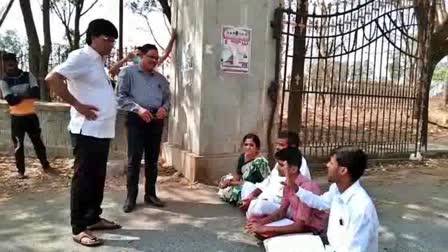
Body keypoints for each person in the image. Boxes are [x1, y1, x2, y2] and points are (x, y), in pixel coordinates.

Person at [45, 19, 121, 247]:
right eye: (107, 40)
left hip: (102, 130)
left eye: (113, 41)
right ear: (93, 37)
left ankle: (93, 217)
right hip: (86, 130)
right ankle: (79, 227)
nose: (110, 45)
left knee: (97, 177)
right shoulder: (81, 57)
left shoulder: (97, 61)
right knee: (83, 179)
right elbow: (53, 79)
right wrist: (77, 104)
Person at [118, 43, 171, 213]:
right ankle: (131, 197)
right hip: (136, 119)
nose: (155, 61)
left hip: (156, 121)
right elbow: (120, 97)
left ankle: (150, 194)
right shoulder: (128, 72)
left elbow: (168, 99)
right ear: (141, 56)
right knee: (134, 160)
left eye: (157, 58)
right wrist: (138, 109)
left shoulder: (161, 79)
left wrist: (165, 108)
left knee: (152, 160)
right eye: (151, 57)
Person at [294, 147, 379, 252]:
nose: (327, 165)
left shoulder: (361, 207)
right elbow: (321, 202)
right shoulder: (336, 189)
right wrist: (297, 189)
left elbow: (355, 249)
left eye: (331, 163)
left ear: (343, 170)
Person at [245, 147, 327, 238]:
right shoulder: (288, 184)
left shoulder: (306, 187)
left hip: (310, 228)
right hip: (294, 221)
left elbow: (300, 226)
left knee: (265, 231)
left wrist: (265, 228)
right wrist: (261, 223)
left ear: (293, 169)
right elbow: (281, 212)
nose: (277, 168)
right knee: (254, 221)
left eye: (281, 165)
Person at [0, 52, 51, 179]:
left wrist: (18, 96)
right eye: (6, 63)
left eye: (11, 62)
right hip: (16, 118)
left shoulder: (28, 76)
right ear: (4, 65)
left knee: (38, 142)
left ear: (16, 63)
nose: (9, 65)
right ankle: (21, 171)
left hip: (31, 115)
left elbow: (36, 92)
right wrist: (25, 95)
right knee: (18, 145)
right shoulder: (4, 81)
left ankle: (45, 165)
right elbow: (11, 100)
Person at [240, 131, 311, 218]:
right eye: (277, 144)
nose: (277, 147)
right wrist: (252, 195)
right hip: (268, 199)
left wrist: (262, 199)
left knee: (259, 206)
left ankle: (256, 212)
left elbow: (291, 195)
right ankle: (252, 208)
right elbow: (268, 181)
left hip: (283, 206)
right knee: (247, 186)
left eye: (281, 145)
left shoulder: (299, 163)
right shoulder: (280, 160)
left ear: (292, 147)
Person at [218, 133, 270, 205]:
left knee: (237, 191)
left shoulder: (260, 162)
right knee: (226, 179)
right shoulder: (242, 157)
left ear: (257, 148)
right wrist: (228, 181)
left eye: (251, 145)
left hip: (255, 188)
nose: (248, 147)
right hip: (242, 183)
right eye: (246, 144)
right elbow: (239, 176)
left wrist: (230, 183)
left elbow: (249, 183)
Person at [108, 29, 177, 79]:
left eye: (140, 55)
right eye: (137, 55)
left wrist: (172, 39)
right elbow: (112, 71)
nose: (138, 57)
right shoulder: (129, 70)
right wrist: (125, 59)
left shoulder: (152, 66)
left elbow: (165, 53)